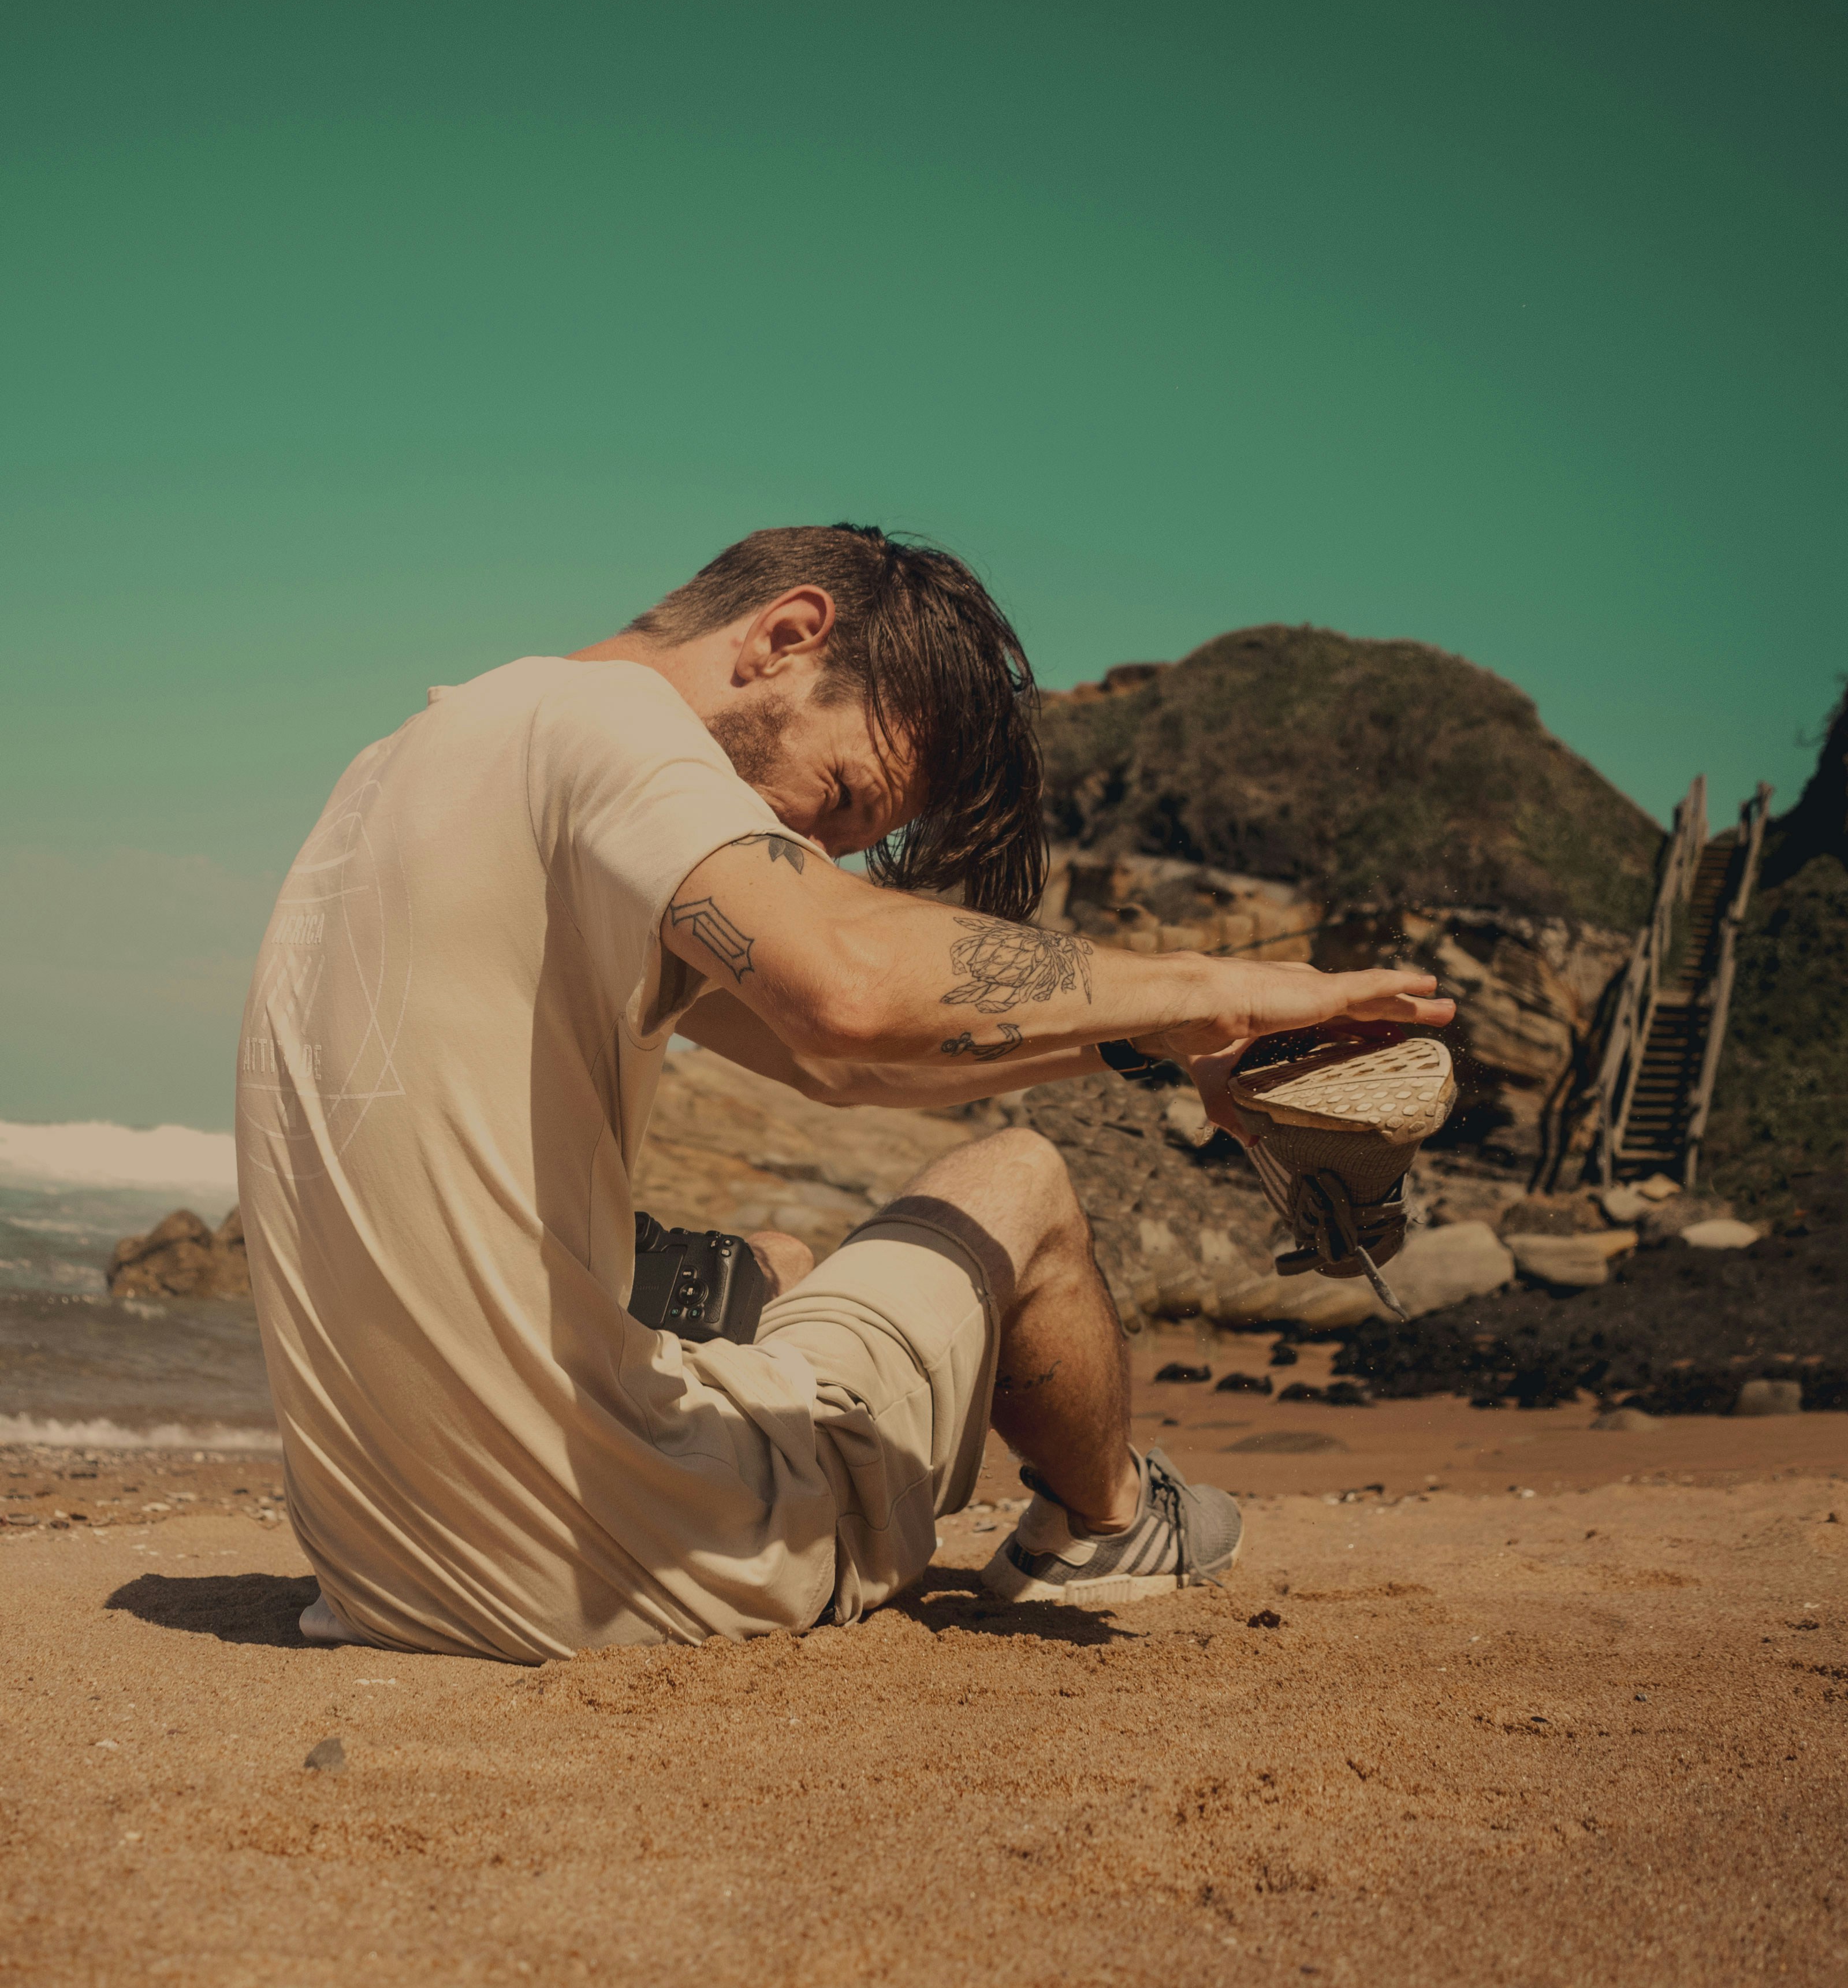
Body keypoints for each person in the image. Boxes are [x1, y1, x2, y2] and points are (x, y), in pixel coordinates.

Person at [236, 523, 1452, 1660]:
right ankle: (1109, 1522)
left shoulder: (403, 764)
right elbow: (850, 991)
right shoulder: (613, 724)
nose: (817, 855)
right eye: (842, 798)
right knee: (1017, 1178)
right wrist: (1216, 991)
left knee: (768, 1263)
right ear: (783, 638)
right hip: (590, 1571)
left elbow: (839, 1061)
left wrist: (1153, 1049)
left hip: (372, 1570)